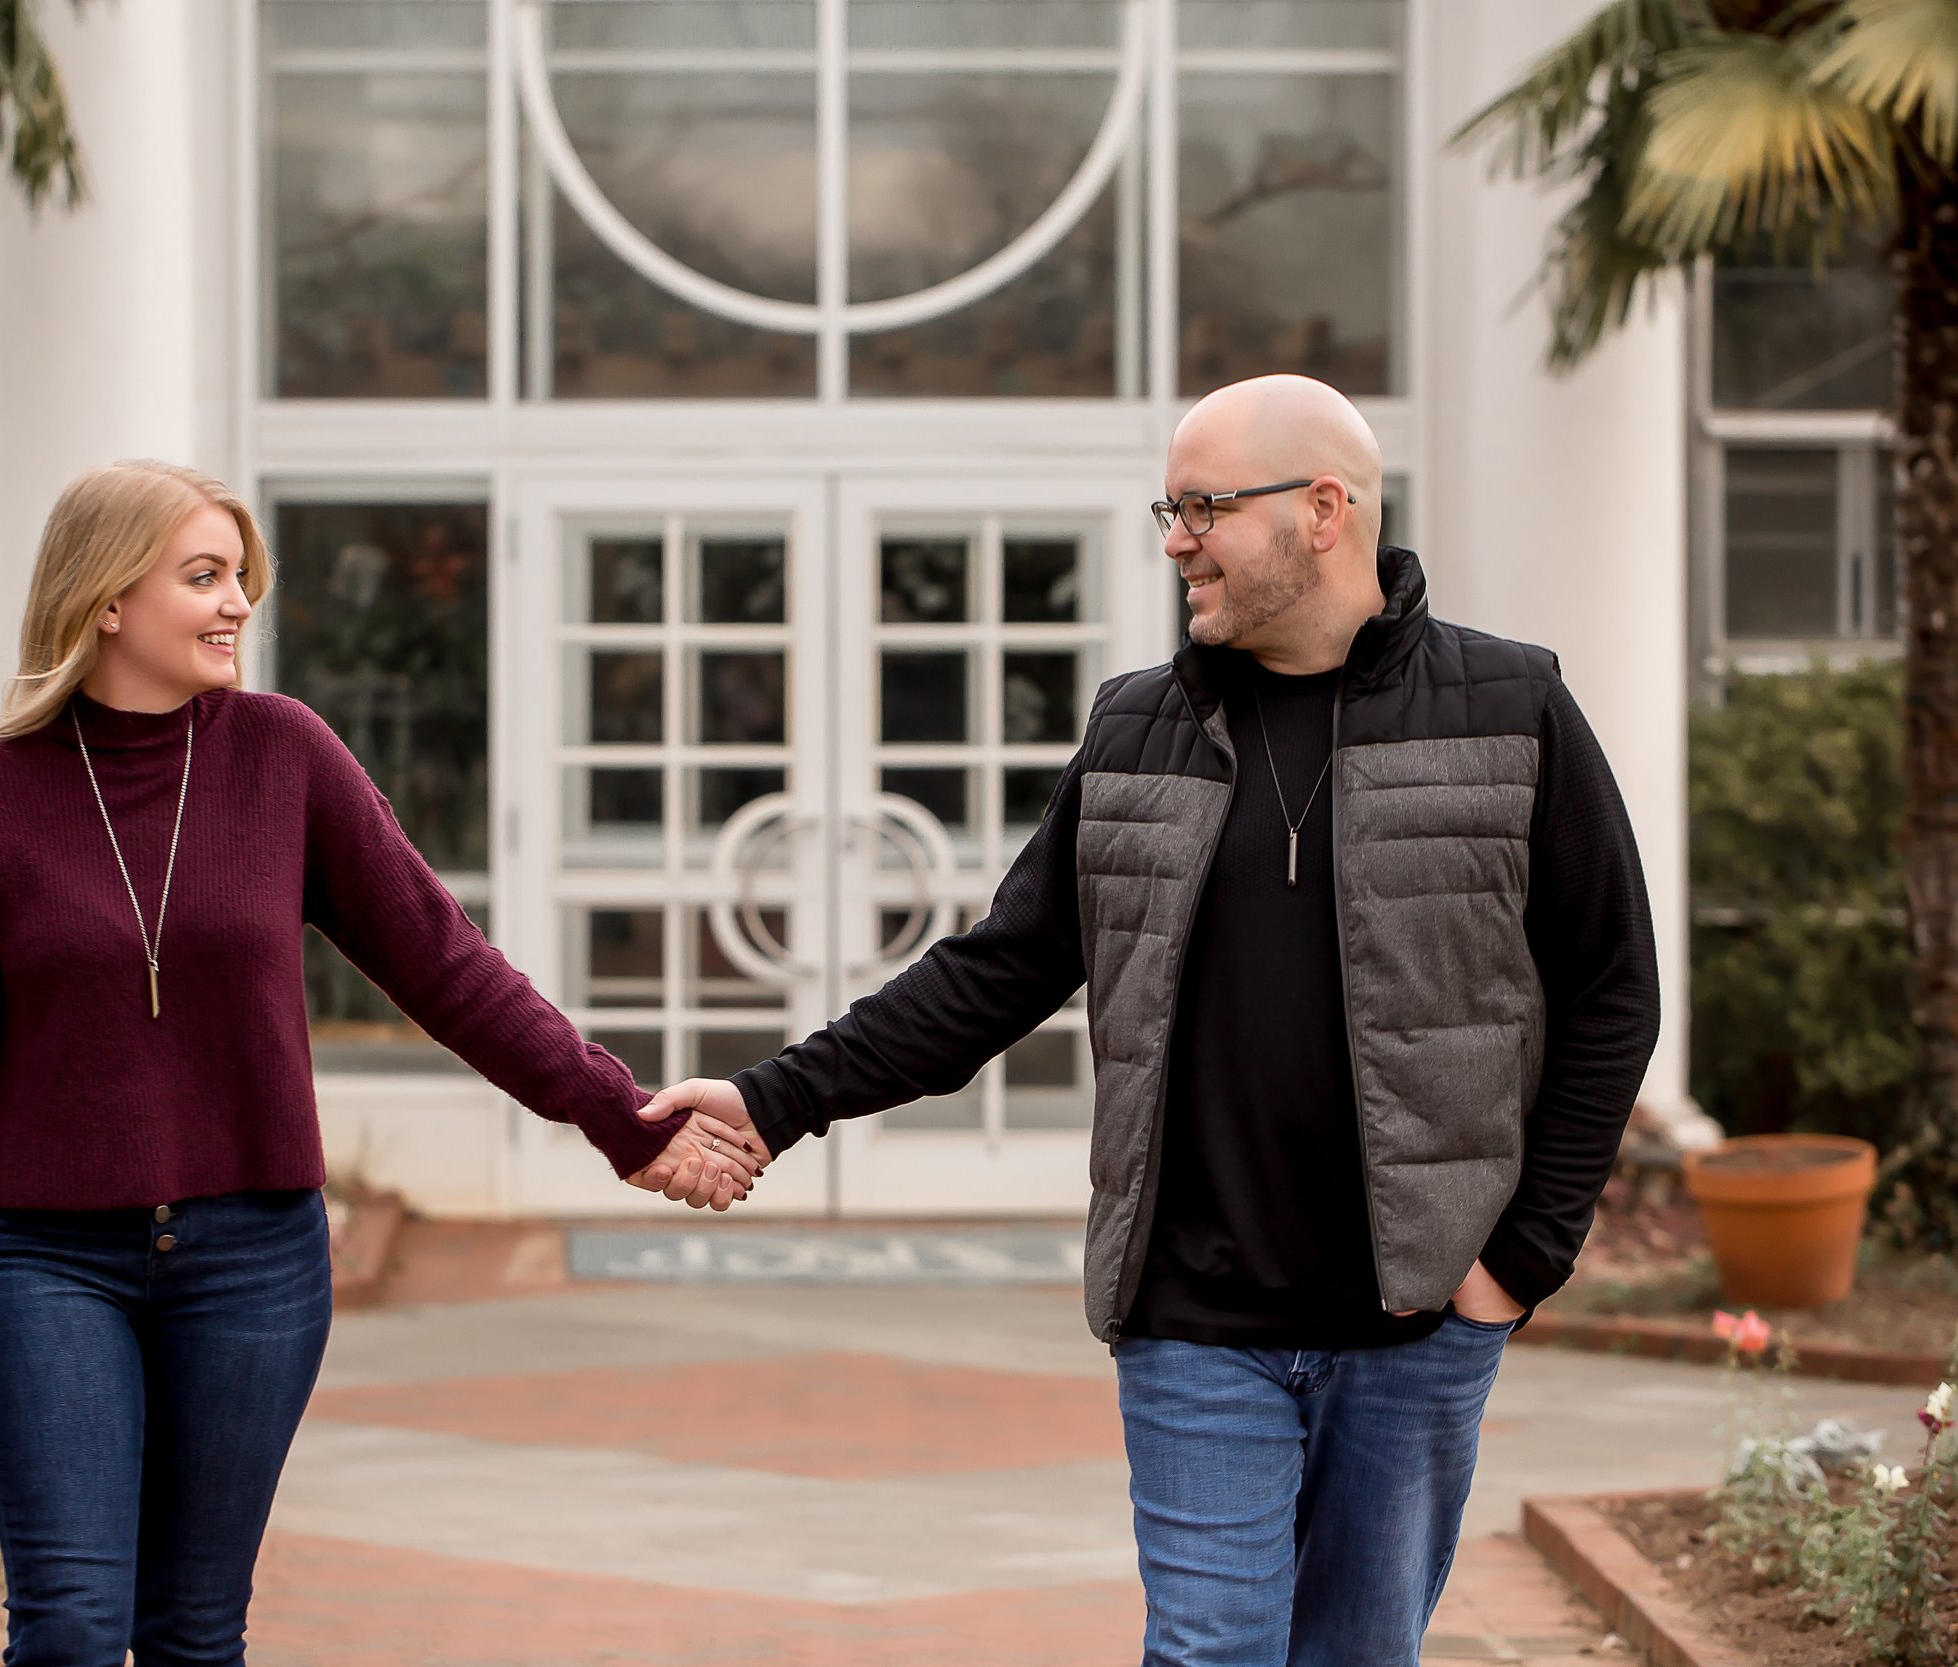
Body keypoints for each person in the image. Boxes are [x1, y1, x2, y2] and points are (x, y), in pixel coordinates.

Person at [633, 375, 1661, 1666]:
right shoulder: (1139, 727)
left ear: (1325, 510)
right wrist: (775, 1096)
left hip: (1414, 1324)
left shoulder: (1511, 709)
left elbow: (1613, 987)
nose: (1174, 537)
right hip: (1192, 1314)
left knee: (1358, 1653)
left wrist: (1518, 1258)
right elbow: (1000, 969)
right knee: (1210, 1649)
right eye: (1167, 508)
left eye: (1204, 507)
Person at [0, 460, 758, 1667]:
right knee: (69, 1628)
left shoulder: (284, 755)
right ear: (106, 597)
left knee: (192, 1631)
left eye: (242, 578)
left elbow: (446, 964)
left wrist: (617, 1113)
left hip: (252, 1257)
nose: (237, 605)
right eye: (205, 576)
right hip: (46, 1258)